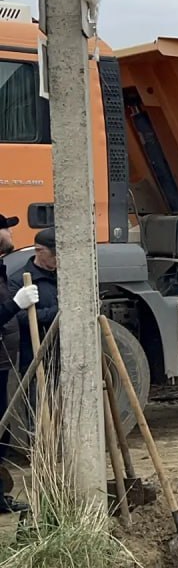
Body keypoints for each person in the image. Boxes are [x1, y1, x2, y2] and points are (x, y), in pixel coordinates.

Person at [0, 213, 38, 513]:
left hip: (3, 363)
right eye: (6, 228)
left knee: (2, 434)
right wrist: (16, 304)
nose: (11, 232)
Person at [8, 227, 58, 382]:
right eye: (55, 255)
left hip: (66, 356)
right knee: (38, 403)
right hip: (36, 359)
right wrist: (59, 312)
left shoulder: (64, 277)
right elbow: (20, 318)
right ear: (40, 251)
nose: (60, 259)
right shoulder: (19, 281)